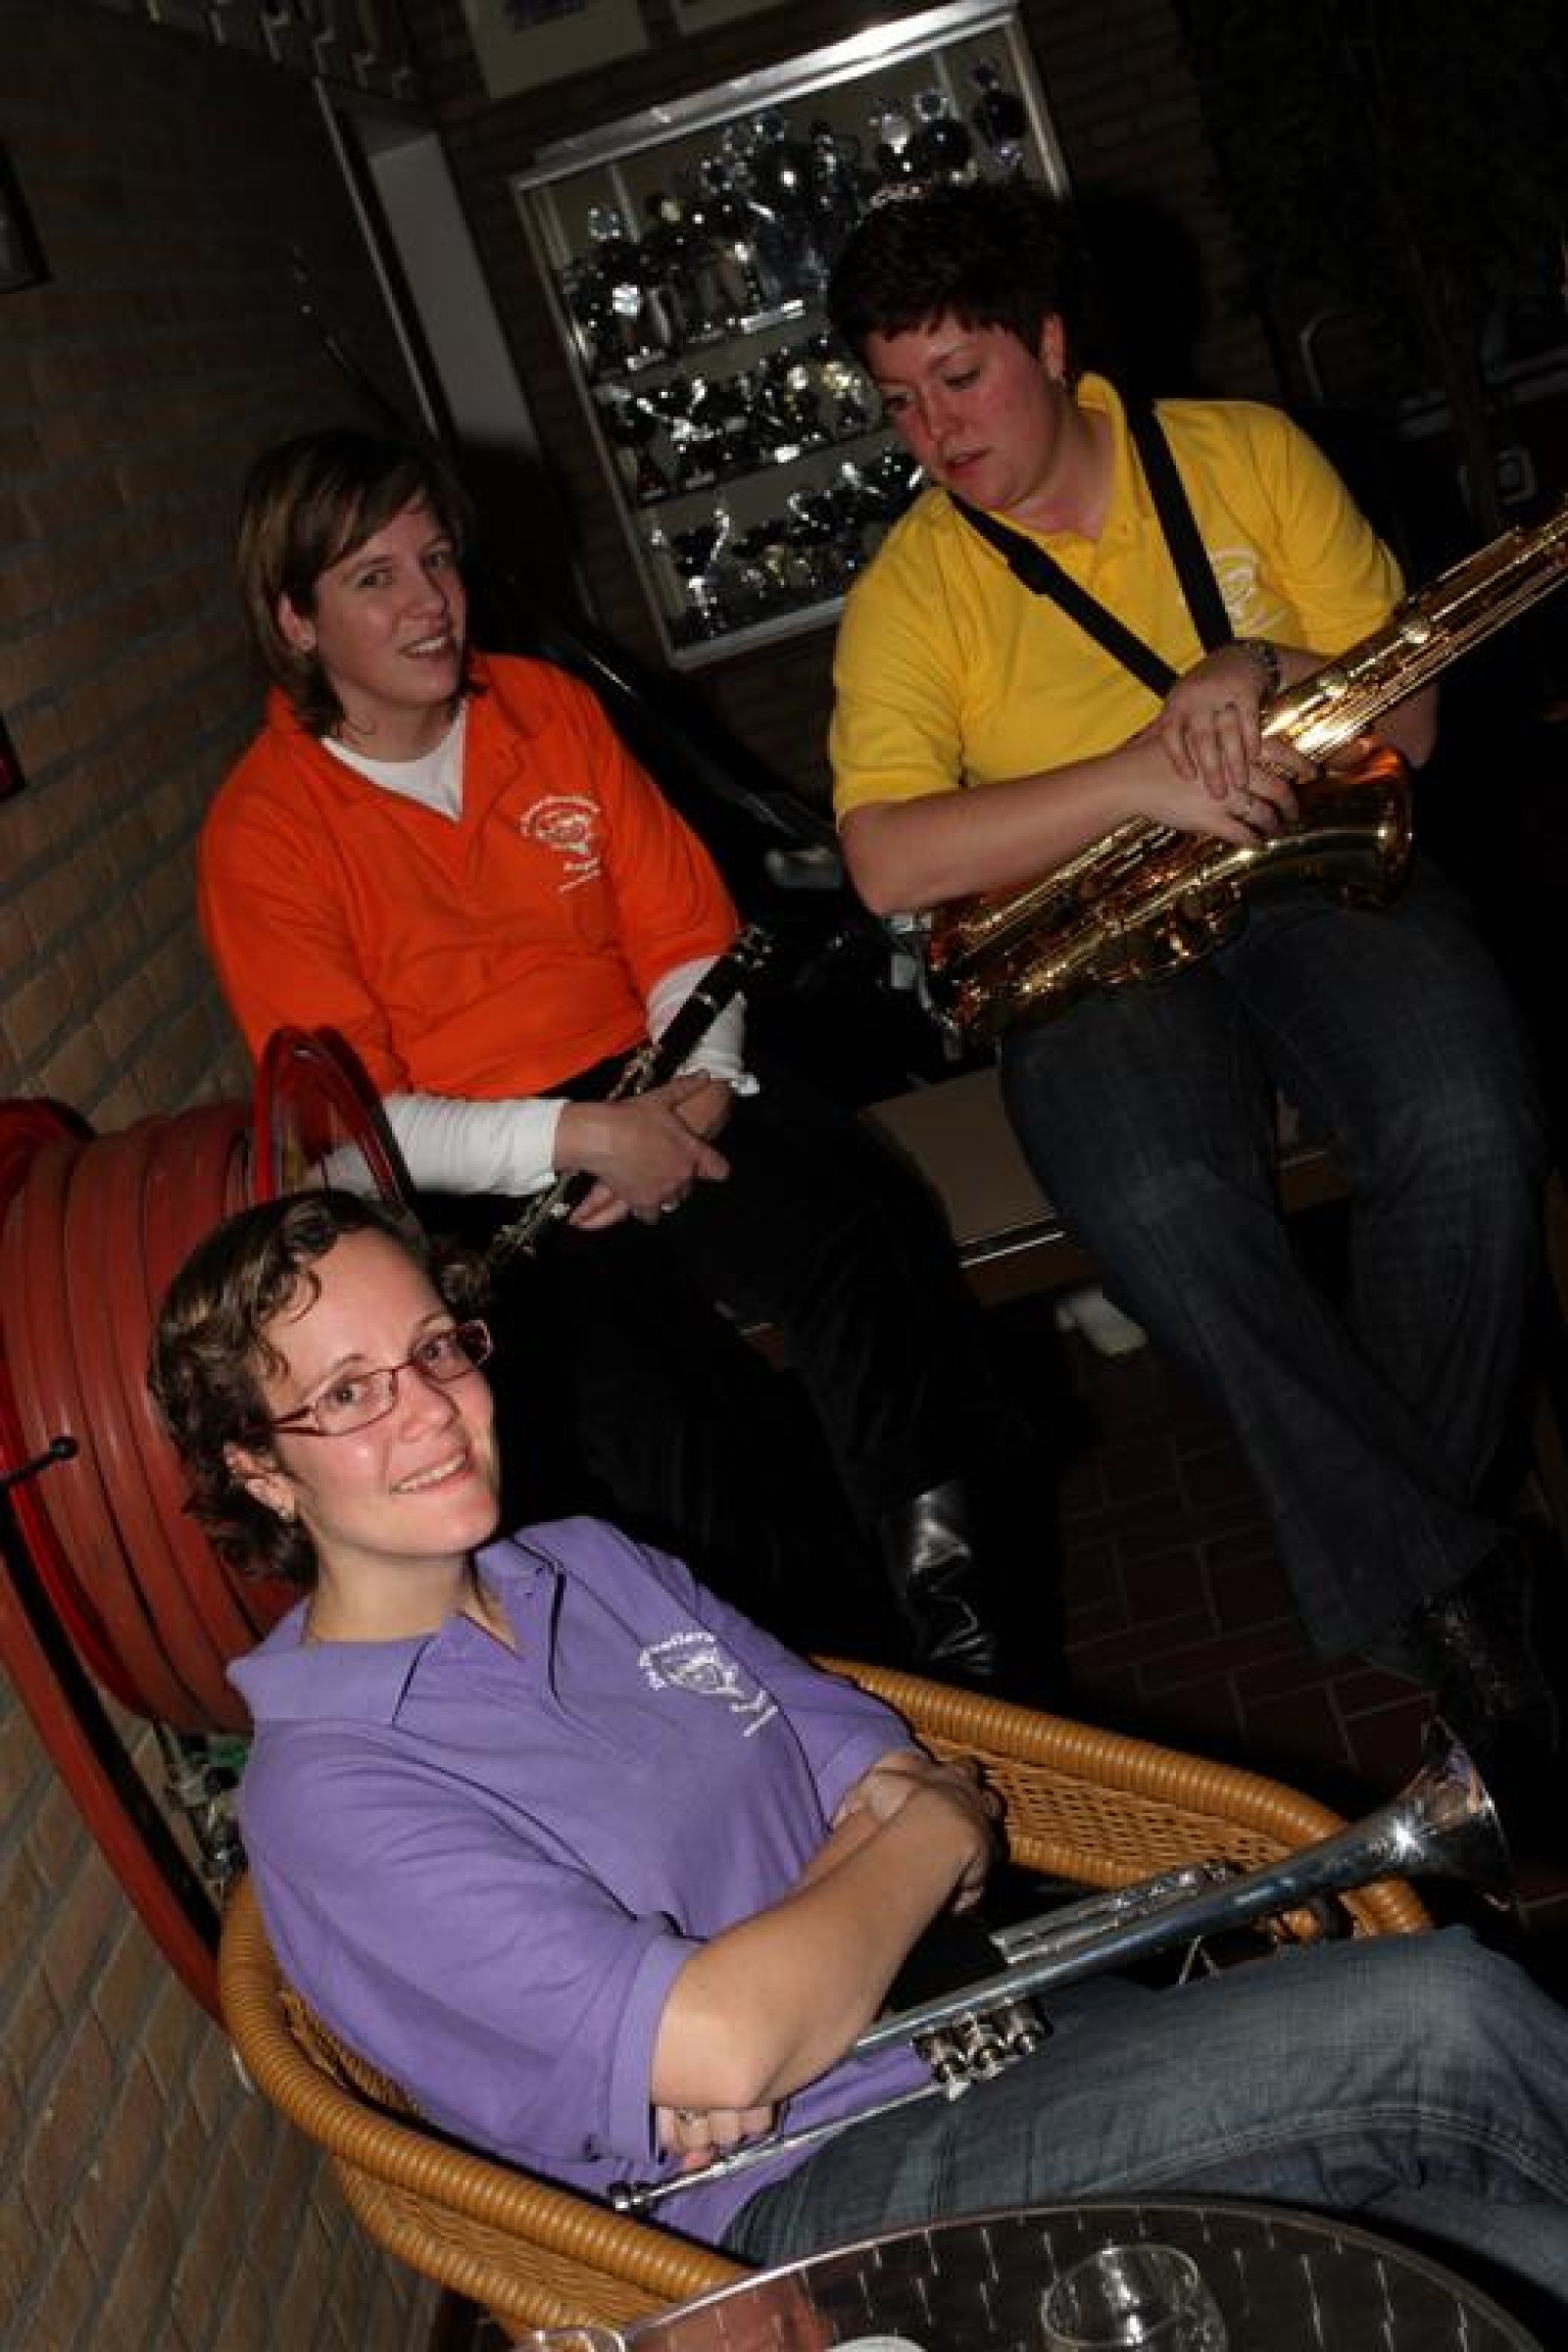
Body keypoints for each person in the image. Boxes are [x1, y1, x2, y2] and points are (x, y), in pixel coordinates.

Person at [149, 1189, 1568, 2320]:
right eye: (347, 1396)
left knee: (1504, 2256)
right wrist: (912, 1848)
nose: (428, 1408)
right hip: (807, 2211)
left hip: (986, 2036)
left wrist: (811, 1948)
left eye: (436, 1349)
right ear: (259, 1471)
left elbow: (861, 1747)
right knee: (1445, 2017)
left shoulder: (589, 1561)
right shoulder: (333, 1796)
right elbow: (731, 2035)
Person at [823, 178, 1557, 1765]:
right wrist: (1135, 780)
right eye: (898, 402)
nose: (935, 434)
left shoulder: (1244, 454)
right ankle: (1462, 1586)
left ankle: (1417, 1572)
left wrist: (1263, 666)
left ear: (1051, 344)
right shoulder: (910, 589)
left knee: (1468, 1119)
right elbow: (884, 858)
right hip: (1100, 943)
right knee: (1154, 1197)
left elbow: (1414, 721)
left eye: (961, 378)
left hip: (1319, 864)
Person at [196, 425, 1043, 1689]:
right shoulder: (264, 830)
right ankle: (842, 1699)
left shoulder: (545, 707)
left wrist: (696, 1092)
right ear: (295, 619)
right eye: (376, 578)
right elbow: (357, 1126)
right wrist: (586, 1139)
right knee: (648, 1421)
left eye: (438, 559)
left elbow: (688, 939)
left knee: (863, 1231)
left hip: (662, 1072)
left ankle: (976, 1657)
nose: (431, 602)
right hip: (474, 1168)